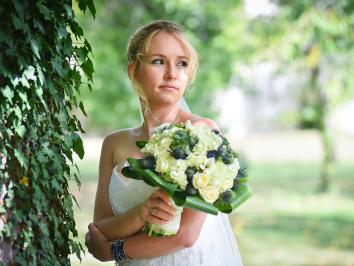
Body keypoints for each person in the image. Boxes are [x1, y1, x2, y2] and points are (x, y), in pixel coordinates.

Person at [85, 20, 243, 265]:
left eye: (181, 63)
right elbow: (101, 228)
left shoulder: (202, 133)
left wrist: (113, 251)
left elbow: (186, 237)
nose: (171, 73)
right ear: (133, 71)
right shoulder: (114, 144)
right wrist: (140, 214)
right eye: (158, 61)